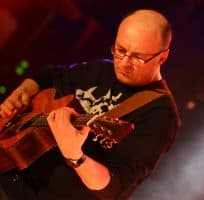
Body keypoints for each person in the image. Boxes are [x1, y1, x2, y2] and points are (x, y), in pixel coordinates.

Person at [0, 9, 180, 200]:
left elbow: (116, 189)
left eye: (138, 57)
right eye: (120, 50)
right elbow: (51, 74)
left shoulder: (161, 115)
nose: (124, 63)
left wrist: (76, 156)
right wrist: (24, 91)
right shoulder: (102, 69)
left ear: (162, 57)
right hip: (8, 171)